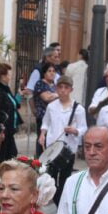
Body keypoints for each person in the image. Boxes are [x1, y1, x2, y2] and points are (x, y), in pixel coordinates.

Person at [39, 75, 87, 205]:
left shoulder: (78, 109)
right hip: (52, 147)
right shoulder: (51, 106)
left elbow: (84, 128)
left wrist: (75, 130)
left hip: (68, 148)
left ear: (71, 89)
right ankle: (61, 205)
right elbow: (46, 123)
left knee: (65, 180)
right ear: (56, 88)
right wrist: (42, 134)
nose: (63, 90)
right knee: (51, 179)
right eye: (60, 87)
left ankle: (62, 206)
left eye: (66, 87)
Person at [0, 63, 23, 163]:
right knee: (4, 157)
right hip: (2, 132)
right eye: (8, 74)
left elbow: (14, 105)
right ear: (2, 76)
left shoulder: (5, 89)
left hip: (8, 130)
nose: (10, 77)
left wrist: (19, 95)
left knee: (12, 155)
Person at [33, 62, 59, 157]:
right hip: (43, 117)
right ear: (44, 73)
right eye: (49, 71)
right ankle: (39, 163)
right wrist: (57, 95)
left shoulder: (55, 85)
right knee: (42, 140)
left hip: (55, 118)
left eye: (54, 71)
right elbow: (47, 98)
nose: (52, 73)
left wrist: (54, 95)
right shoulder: (40, 83)